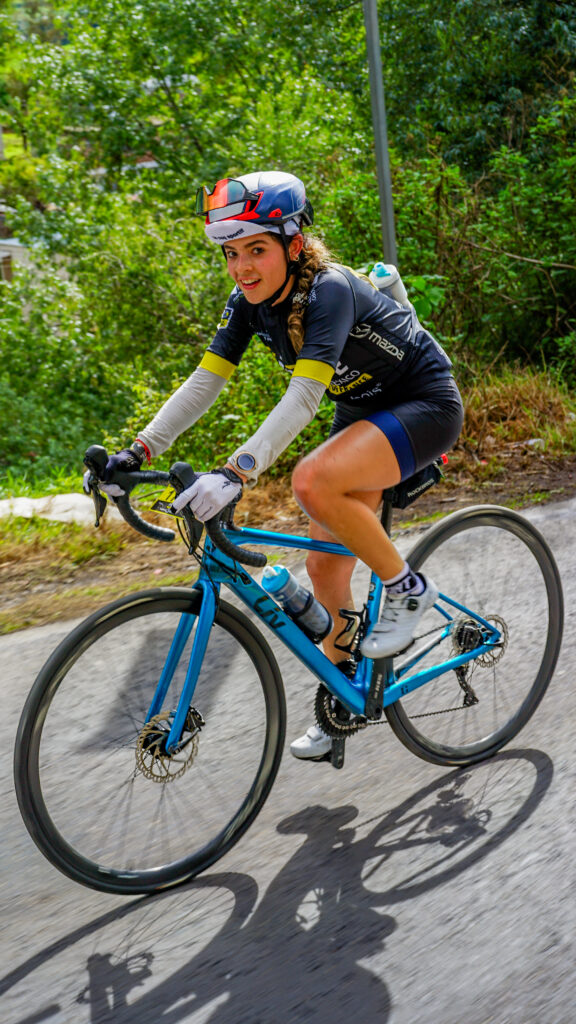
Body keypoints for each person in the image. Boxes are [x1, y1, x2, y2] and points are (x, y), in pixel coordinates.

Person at [99, 170, 464, 761]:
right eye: (231, 254)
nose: (242, 267)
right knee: (324, 568)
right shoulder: (248, 304)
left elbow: (303, 398)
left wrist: (235, 472)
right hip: (364, 411)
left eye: (256, 250)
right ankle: (344, 701)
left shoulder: (329, 291)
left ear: (293, 245)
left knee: (311, 480)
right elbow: (203, 384)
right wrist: (138, 451)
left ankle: (408, 588)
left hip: (424, 404)